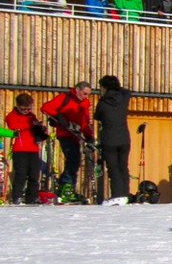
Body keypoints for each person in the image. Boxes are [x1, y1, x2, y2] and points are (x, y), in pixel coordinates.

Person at [41, 81, 94, 202]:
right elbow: (46, 107)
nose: (86, 96)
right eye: (84, 93)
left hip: (76, 134)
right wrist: (60, 117)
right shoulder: (65, 98)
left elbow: (85, 121)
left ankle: (65, 187)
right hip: (65, 134)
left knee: (75, 161)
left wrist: (89, 135)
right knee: (73, 160)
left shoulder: (85, 103)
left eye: (88, 94)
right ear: (77, 90)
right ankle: (66, 187)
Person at [92, 75, 132, 205]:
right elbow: (127, 91)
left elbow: (97, 116)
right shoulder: (124, 98)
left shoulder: (103, 102)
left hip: (109, 138)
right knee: (123, 166)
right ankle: (125, 194)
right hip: (124, 138)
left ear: (105, 87)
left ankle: (118, 195)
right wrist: (117, 88)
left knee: (113, 168)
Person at [4, 93, 48, 204]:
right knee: (21, 174)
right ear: (18, 106)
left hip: (33, 148)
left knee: (34, 175)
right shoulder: (12, 116)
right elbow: (13, 127)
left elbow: (34, 127)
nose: (26, 111)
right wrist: (30, 125)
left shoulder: (31, 116)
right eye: (24, 109)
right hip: (20, 149)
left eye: (29, 109)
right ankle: (17, 197)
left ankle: (32, 198)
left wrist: (41, 128)